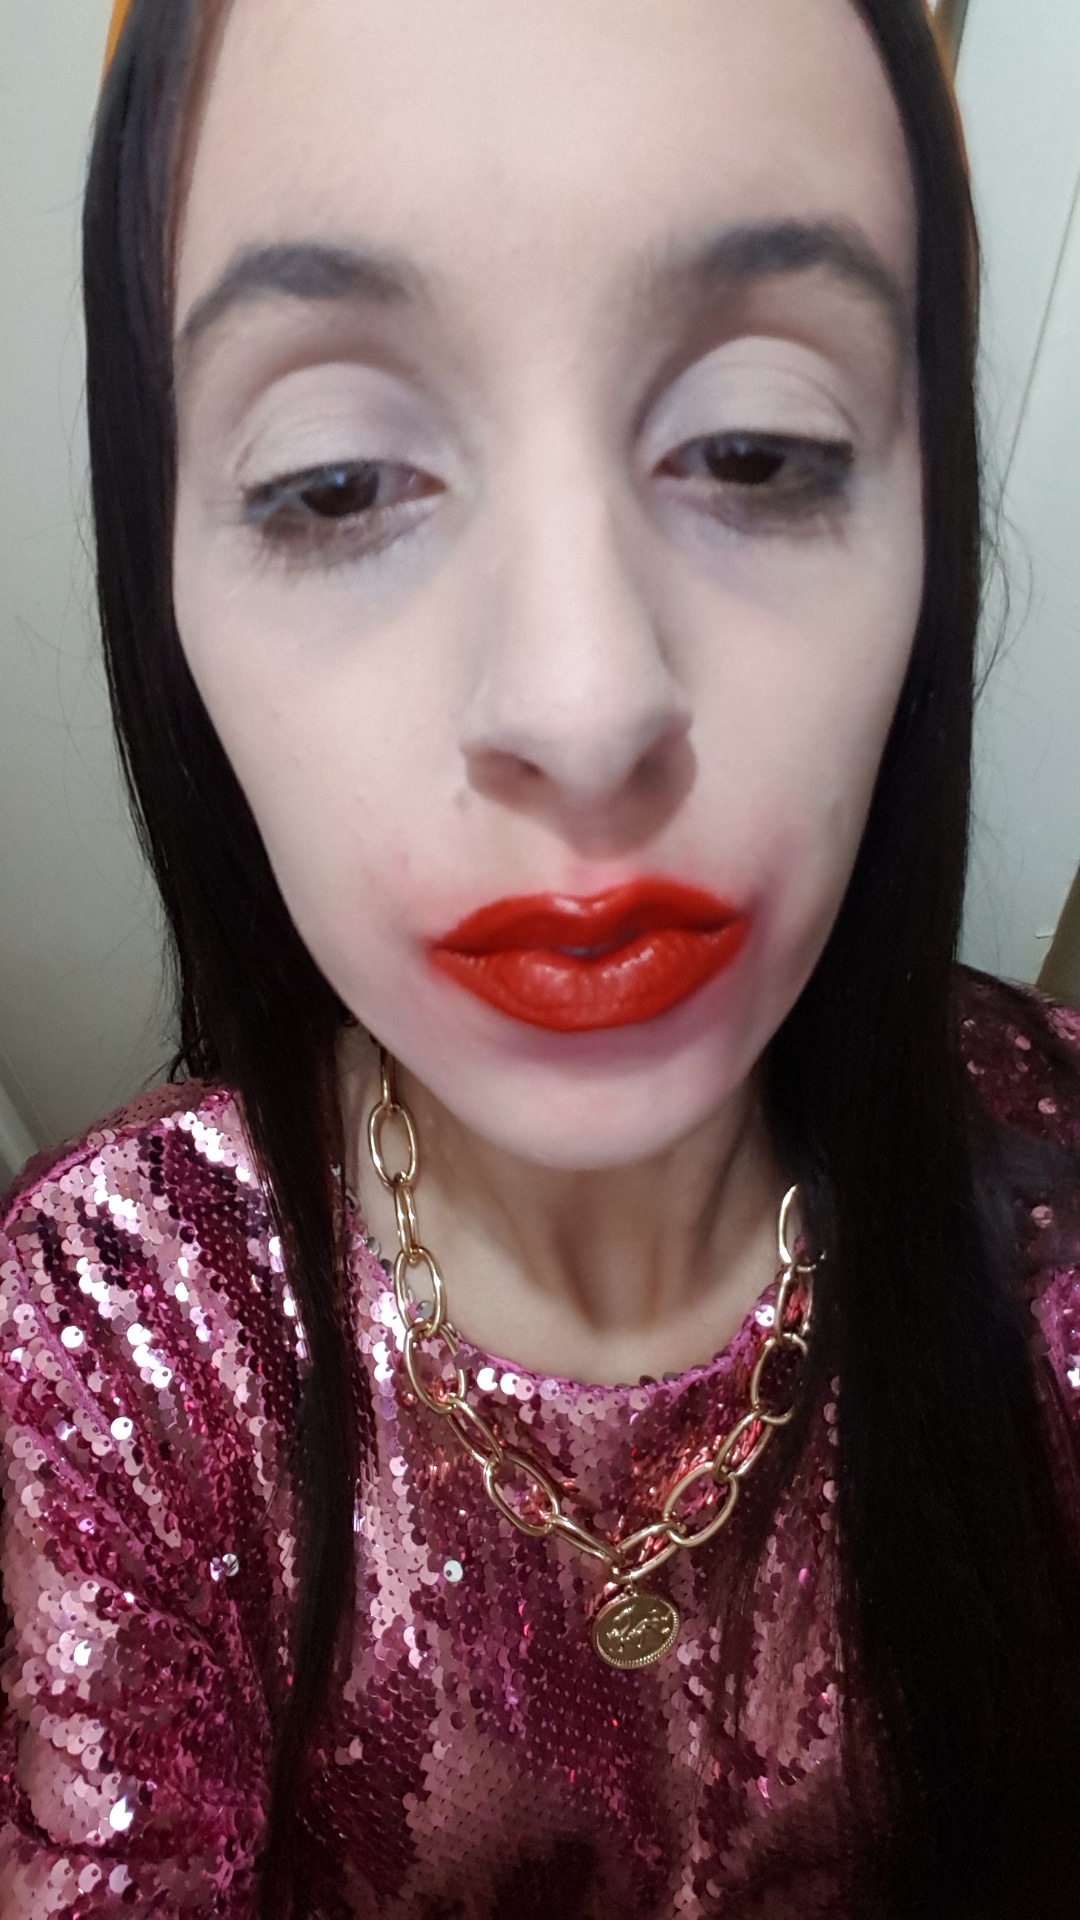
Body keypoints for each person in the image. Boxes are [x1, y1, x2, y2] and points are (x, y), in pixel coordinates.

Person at [1, 0, 1079, 1913]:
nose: (584, 704)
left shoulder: (1058, 1212)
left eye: (759, 447)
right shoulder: (103, 1339)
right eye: (336, 480)